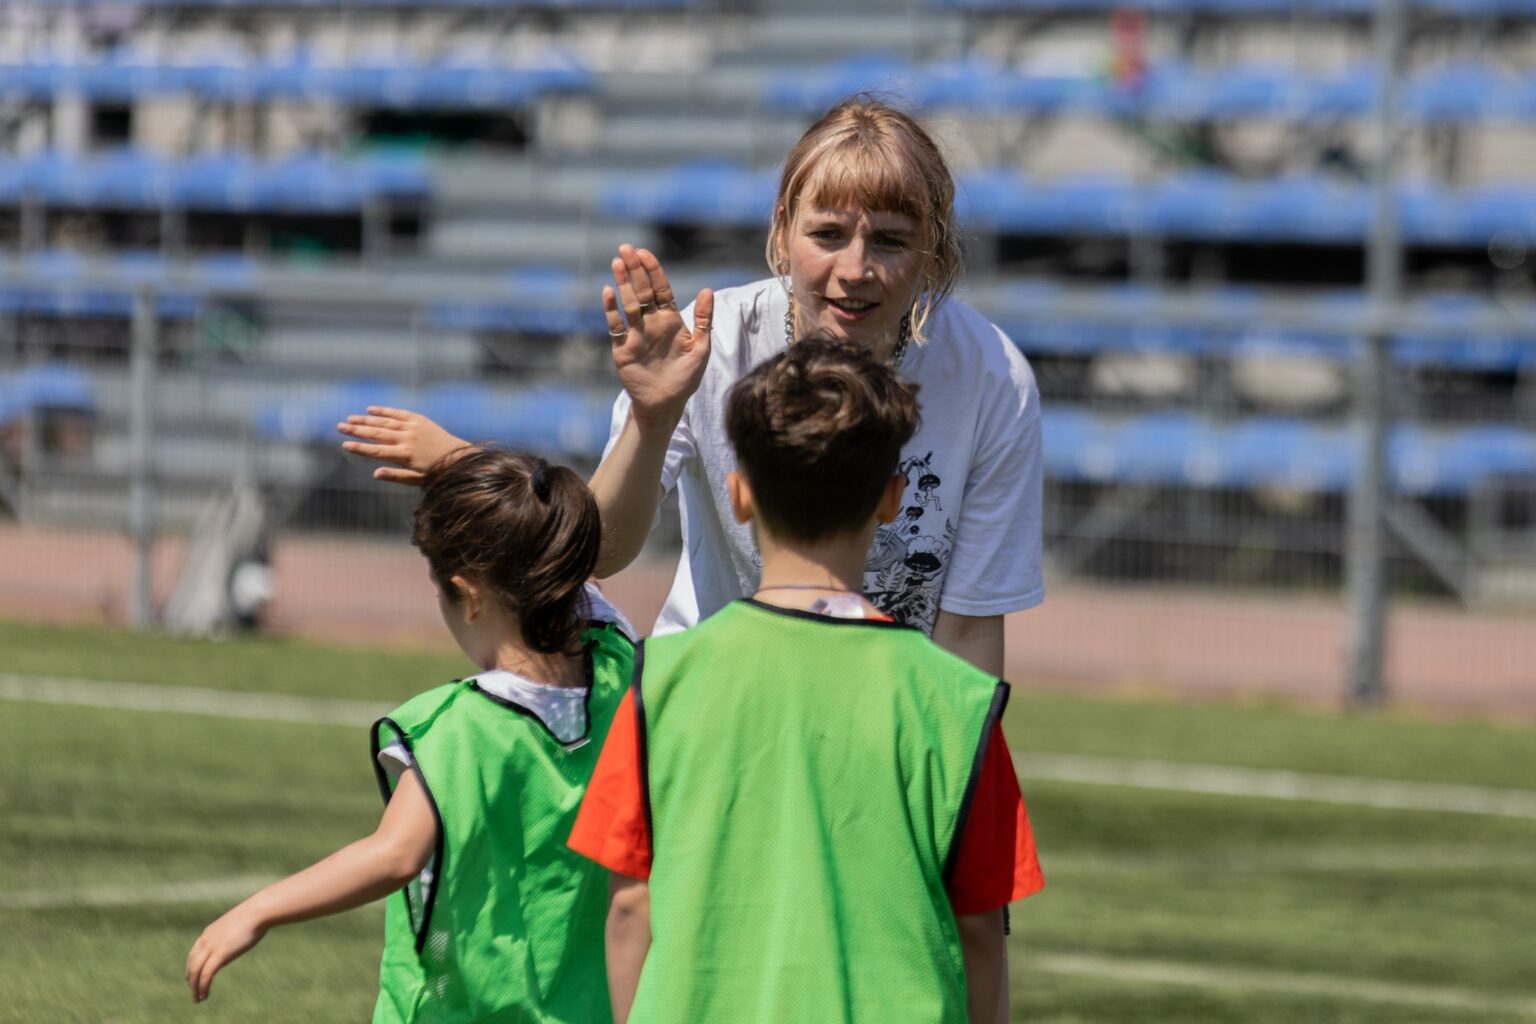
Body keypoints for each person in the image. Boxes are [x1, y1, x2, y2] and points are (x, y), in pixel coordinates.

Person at [336, 94, 1044, 675]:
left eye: (888, 241)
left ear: (934, 251)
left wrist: (953, 798)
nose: (854, 269)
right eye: (827, 234)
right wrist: (653, 413)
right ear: (782, 229)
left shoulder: (992, 379)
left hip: (885, 724)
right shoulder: (712, 342)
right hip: (713, 703)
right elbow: (601, 554)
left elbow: (971, 636)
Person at [567, 339, 1044, 1024]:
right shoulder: (958, 702)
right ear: (891, 498)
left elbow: (629, 904)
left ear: (738, 494)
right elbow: (979, 927)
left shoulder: (662, 680)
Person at [184, 447, 635, 1023]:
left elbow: (394, 855)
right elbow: (563, 563)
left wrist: (257, 910)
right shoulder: (619, 665)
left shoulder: (458, 730)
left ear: (468, 596)